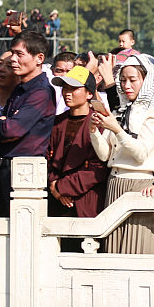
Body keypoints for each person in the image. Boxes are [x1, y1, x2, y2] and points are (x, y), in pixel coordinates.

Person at [89, 55, 154, 253]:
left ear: (146, 80)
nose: (126, 85)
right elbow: (105, 155)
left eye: (133, 80)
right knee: (113, 248)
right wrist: (93, 131)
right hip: (114, 183)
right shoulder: (121, 109)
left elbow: (141, 154)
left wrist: (116, 129)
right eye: (123, 80)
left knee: (137, 247)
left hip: (140, 184)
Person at [0, 31, 56, 211]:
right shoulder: (20, 89)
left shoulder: (41, 92)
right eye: (12, 53)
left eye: (19, 54)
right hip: (5, 169)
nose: (13, 59)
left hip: (25, 173)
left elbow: (11, 130)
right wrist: (2, 123)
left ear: (39, 58)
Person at [47, 65, 109, 221]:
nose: (67, 93)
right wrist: (54, 185)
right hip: (56, 201)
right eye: (65, 88)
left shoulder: (100, 123)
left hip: (86, 201)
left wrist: (62, 187)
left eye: (73, 88)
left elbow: (98, 168)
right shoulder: (57, 122)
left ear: (89, 93)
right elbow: (48, 157)